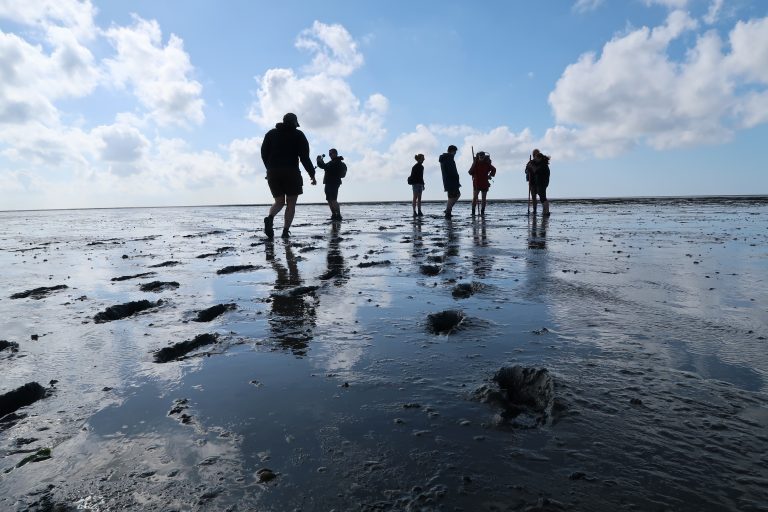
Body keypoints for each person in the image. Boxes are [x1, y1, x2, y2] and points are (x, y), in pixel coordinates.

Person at [260, 112, 317, 239]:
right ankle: (285, 232)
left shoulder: (270, 134)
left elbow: (264, 153)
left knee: (279, 202)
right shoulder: (298, 135)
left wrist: (269, 168)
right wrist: (312, 174)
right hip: (291, 172)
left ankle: (269, 218)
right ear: (294, 123)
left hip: (273, 172)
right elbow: (304, 157)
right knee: (291, 203)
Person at [316, 148, 347, 221]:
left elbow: (325, 166)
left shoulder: (337, 162)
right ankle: (334, 215)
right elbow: (324, 166)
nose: (330, 155)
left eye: (331, 153)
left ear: (335, 153)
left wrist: (319, 161)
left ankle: (338, 215)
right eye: (329, 154)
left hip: (334, 183)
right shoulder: (332, 162)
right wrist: (320, 161)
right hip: (328, 182)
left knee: (333, 199)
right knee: (329, 200)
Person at [468, 151, 496, 216]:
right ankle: (473, 212)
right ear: (478, 157)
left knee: (484, 198)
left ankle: (482, 212)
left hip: (484, 183)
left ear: (484, 157)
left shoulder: (487, 163)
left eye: (482, 157)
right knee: (475, 197)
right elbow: (470, 172)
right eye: (480, 157)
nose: (481, 158)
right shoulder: (475, 163)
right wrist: (474, 163)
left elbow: (494, 169)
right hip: (476, 183)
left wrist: (490, 175)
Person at [525, 149, 551, 216]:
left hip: (540, 182)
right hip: (533, 182)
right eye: (534, 154)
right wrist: (528, 169)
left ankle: (545, 211)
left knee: (542, 196)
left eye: (536, 154)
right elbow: (526, 170)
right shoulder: (531, 162)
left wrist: (532, 167)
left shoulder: (542, 163)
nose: (534, 156)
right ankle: (535, 210)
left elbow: (537, 170)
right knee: (534, 196)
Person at [439, 145, 461, 217]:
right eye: (455, 152)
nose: (455, 154)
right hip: (451, 181)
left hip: (447, 181)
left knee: (451, 196)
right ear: (452, 151)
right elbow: (452, 170)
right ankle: (448, 211)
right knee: (455, 195)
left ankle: (448, 210)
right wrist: (456, 178)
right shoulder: (449, 158)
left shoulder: (445, 158)